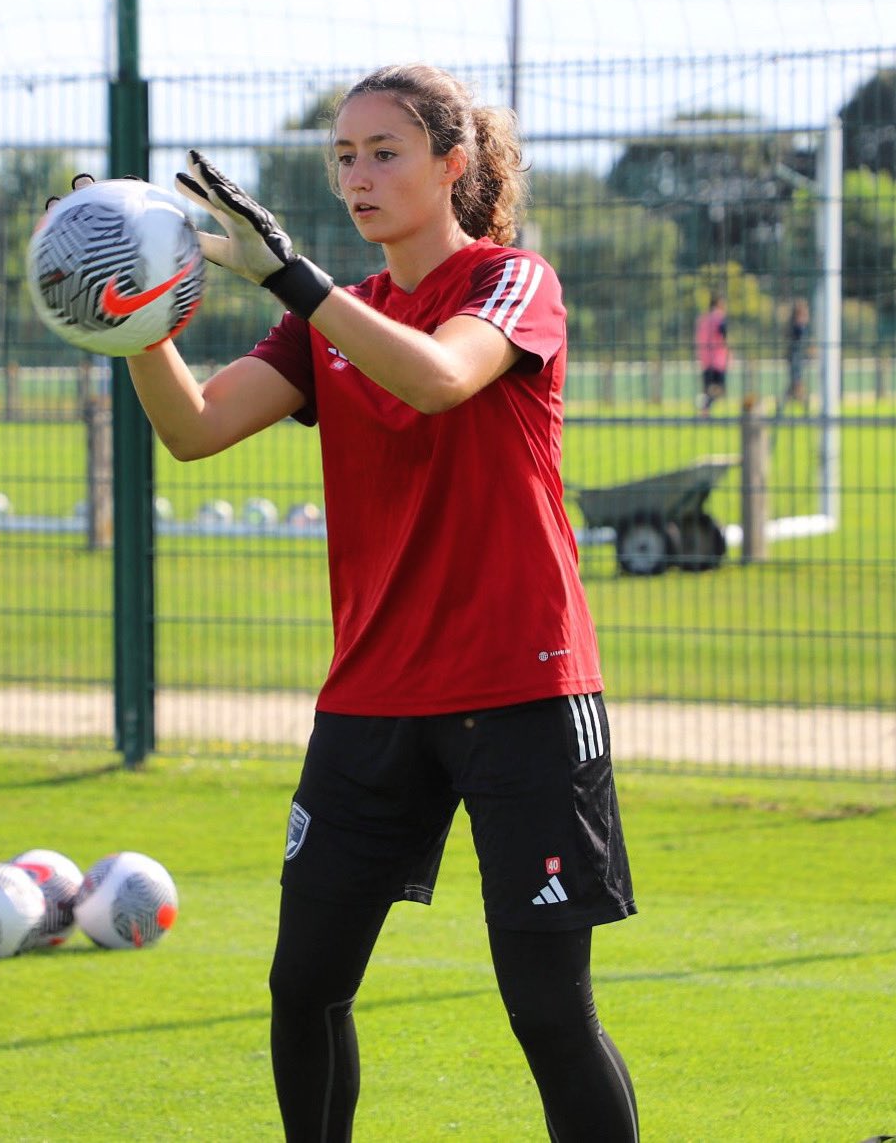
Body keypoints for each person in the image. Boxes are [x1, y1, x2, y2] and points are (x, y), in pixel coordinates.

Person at [79, 63, 639, 1141]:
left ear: (452, 164)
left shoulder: (514, 282)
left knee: (546, 1014)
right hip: (373, 699)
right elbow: (193, 428)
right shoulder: (331, 318)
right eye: (343, 156)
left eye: (384, 152)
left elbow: (436, 375)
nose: (359, 176)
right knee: (305, 987)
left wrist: (293, 278)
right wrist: (133, 316)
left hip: (521, 691)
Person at [695, 292, 730, 417]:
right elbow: (723, 334)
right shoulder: (719, 317)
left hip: (705, 358)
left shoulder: (703, 318)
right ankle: (705, 406)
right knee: (720, 389)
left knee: (708, 388)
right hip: (718, 358)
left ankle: (705, 410)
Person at [779, 297, 811, 412]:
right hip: (795, 359)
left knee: (794, 386)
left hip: (795, 358)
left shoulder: (794, 325)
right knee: (796, 385)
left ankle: (781, 408)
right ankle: (805, 409)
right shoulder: (798, 326)